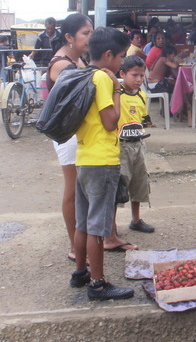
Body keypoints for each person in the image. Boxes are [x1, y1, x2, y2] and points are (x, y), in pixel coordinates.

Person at [70, 26, 134, 301]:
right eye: (121, 57)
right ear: (108, 55)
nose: (121, 63)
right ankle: (98, 284)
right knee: (99, 226)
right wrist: (118, 89)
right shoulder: (104, 79)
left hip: (84, 157)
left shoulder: (83, 75)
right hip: (102, 161)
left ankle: (80, 272)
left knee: (82, 222)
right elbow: (110, 122)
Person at [46, 13, 94, 263]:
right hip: (68, 134)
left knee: (83, 188)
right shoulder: (62, 65)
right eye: (85, 33)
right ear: (68, 37)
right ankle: (75, 246)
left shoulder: (79, 59)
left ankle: (86, 240)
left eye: (91, 33)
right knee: (73, 189)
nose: (90, 38)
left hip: (81, 132)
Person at [117, 56, 154, 233]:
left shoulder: (141, 95)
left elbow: (142, 118)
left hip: (138, 144)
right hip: (120, 147)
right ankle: (112, 225)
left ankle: (136, 219)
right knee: (120, 184)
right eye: (134, 75)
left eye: (142, 75)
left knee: (139, 183)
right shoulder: (116, 93)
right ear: (122, 73)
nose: (139, 79)